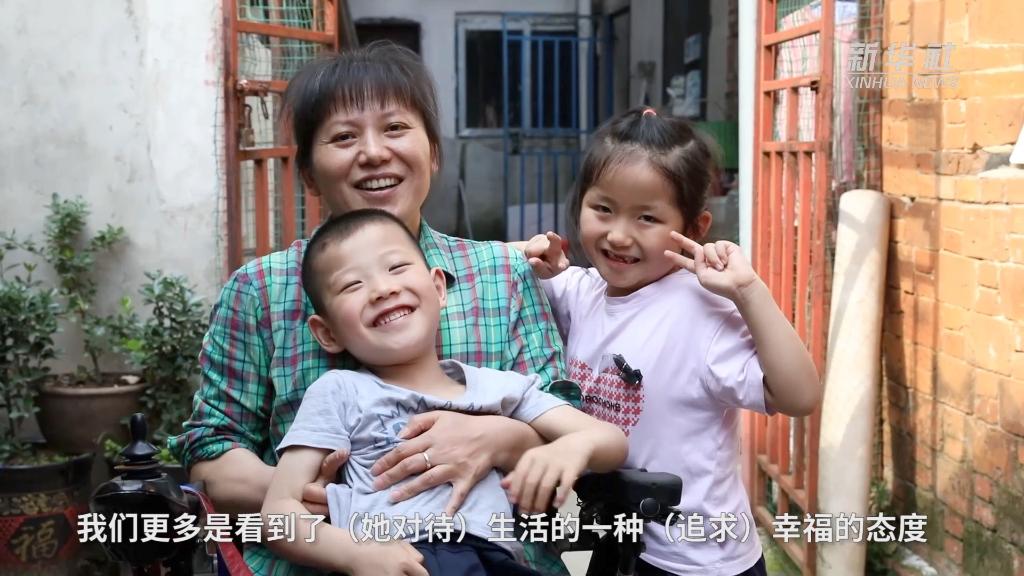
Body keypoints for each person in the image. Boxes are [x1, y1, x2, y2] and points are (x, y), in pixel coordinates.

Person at [169, 42, 577, 575]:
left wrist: (498, 438)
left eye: (395, 128)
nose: (374, 153)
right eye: (344, 137)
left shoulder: (501, 275)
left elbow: (565, 422)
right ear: (309, 173)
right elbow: (209, 449)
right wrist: (321, 496)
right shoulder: (260, 290)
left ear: (433, 152)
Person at [518, 107, 821, 576]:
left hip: (699, 561)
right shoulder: (580, 292)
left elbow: (799, 397)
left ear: (694, 229)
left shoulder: (701, 311)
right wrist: (527, 255)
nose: (618, 235)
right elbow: (499, 277)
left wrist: (748, 292)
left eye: (646, 217)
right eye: (603, 209)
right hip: (615, 547)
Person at [263, 209, 627, 576]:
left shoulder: (498, 387)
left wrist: (570, 447)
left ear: (438, 288)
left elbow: (610, 441)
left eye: (396, 267)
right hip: (395, 558)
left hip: (491, 560)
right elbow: (278, 513)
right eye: (352, 285)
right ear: (327, 333)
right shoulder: (338, 391)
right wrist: (354, 555)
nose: (383, 289)